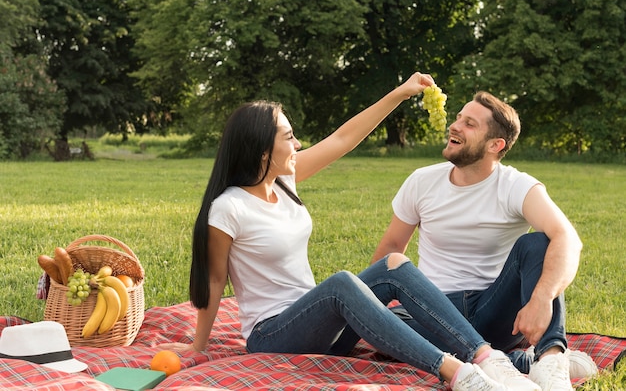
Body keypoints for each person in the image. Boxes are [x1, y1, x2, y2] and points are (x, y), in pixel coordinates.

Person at [162, 75, 542, 390]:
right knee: (344, 283)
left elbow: (343, 139)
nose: (297, 144)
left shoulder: (284, 181)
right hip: (272, 335)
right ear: (262, 150)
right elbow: (213, 280)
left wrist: (398, 93)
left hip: (319, 328)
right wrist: (198, 346)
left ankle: (486, 357)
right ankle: (458, 374)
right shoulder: (229, 207)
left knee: (394, 263)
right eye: (288, 137)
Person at [361, 91, 595, 390]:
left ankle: (551, 360)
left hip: (494, 310)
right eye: (458, 118)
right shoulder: (422, 181)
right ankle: (518, 362)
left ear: (495, 145)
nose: (455, 126)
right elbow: (390, 251)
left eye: (469, 123)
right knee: (383, 330)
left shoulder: (515, 185)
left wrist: (541, 299)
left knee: (539, 243)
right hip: (433, 309)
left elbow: (568, 239)